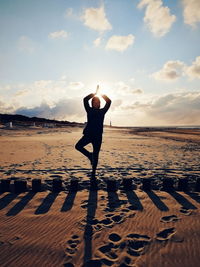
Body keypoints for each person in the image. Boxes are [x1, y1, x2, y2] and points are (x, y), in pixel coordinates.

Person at [75, 89, 111, 178]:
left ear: (100, 103)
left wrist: (101, 94)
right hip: (88, 134)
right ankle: (89, 155)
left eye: (97, 102)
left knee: (96, 154)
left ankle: (93, 172)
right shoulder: (89, 110)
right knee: (78, 146)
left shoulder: (103, 111)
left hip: (98, 136)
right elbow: (85, 100)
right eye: (94, 102)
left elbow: (109, 101)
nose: (96, 103)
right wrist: (94, 94)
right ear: (92, 103)